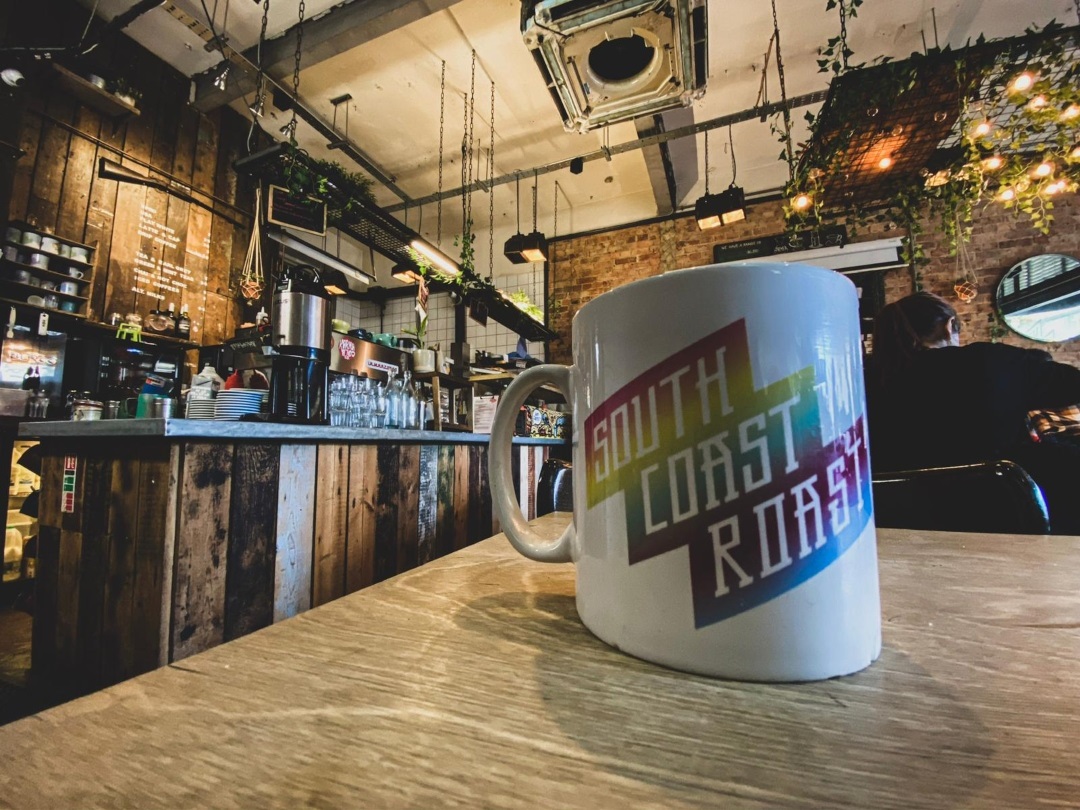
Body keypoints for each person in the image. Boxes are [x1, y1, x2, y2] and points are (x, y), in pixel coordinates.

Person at [865, 291, 1080, 534]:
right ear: (949, 327)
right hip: (1013, 518)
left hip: (902, 527)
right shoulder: (986, 362)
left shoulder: (862, 383)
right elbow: (1072, 385)